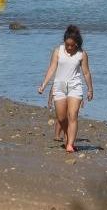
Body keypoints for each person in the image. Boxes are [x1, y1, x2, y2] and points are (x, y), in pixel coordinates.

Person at [37, 24, 93, 152]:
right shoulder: (58, 51)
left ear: (77, 44)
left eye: (72, 45)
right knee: (61, 118)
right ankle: (68, 137)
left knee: (72, 115)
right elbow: (52, 68)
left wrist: (90, 89)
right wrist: (44, 85)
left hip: (75, 86)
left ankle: (70, 145)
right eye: (67, 44)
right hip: (60, 86)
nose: (69, 47)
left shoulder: (82, 54)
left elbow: (86, 73)